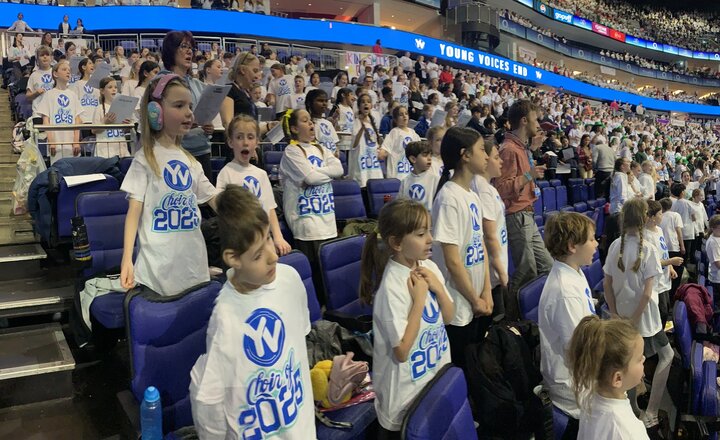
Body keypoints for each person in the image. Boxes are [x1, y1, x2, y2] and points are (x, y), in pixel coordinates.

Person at [189, 185, 316, 440]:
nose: (273, 257)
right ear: (233, 258)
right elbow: (209, 403)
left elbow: (299, 350)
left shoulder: (290, 279)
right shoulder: (225, 317)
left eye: (269, 237)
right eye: (257, 255)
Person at [359, 198, 454, 437]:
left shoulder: (429, 268)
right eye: (421, 234)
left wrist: (439, 291)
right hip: (403, 397)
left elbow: (449, 318)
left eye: (429, 231)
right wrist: (419, 300)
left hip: (431, 380)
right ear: (397, 243)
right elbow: (401, 351)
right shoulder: (391, 288)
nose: (430, 239)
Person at [120, 74, 217, 296]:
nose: (189, 113)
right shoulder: (145, 158)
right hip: (157, 272)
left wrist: (242, 208)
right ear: (156, 113)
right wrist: (127, 259)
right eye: (179, 105)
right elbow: (133, 214)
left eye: (190, 106)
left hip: (193, 269)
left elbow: (215, 200)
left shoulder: (191, 161)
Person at [603, 198, 670, 432]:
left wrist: (613, 313)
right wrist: (633, 319)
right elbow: (647, 293)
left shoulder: (614, 246)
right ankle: (649, 411)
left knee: (630, 363)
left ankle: (635, 409)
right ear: (643, 219)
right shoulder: (647, 249)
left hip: (622, 317)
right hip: (644, 319)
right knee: (666, 356)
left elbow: (607, 285)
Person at [432, 127, 492, 369]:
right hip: (459, 303)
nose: (486, 155)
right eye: (481, 150)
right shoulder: (448, 198)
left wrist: (486, 290)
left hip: (476, 297)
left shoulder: (471, 195)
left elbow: (482, 247)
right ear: (465, 155)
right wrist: (474, 298)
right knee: (462, 367)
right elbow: (452, 260)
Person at [538, 212, 598, 438]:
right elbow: (579, 350)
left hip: (581, 380)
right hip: (573, 391)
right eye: (591, 239)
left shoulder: (575, 272)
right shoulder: (565, 292)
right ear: (573, 246)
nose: (596, 243)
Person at [495, 100, 552, 316]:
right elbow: (501, 188)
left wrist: (533, 152)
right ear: (524, 120)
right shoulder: (509, 150)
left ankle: (532, 312)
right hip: (516, 215)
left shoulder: (520, 148)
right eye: (535, 119)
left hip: (526, 214)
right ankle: (511, 316)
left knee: (547, 266)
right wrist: (530, 175)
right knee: (526, 269)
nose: (538, 123)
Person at [279, 109, 343, 300]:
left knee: (327, 280)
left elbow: (339, 169)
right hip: (306, 224)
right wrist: (321, 174)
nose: (311, 124)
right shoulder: (291, 151)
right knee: (312, 281)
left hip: (328, 222)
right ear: (294, 128)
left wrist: (315, 174)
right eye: (305, 121)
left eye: (311, 121)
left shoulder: (322, 149)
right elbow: (310, 177)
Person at [216, 115, 291, 256]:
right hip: (239, 242)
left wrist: (278, 237)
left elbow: (270, 208)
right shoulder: (226, 173)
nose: (245, 143)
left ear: (257, 142)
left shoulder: (261, 174)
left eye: (250, 137)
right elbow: (222, 211)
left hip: (263, 239)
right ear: (230, 142)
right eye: (239, 137)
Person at [567, 316, 649, 439]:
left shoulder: (589, 395)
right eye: (639, 359)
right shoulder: (628, 432)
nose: (644, 359)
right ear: (617, 379)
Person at [161, 31, 215, 181]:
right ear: (171, 50)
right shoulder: (160, 83)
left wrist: (207, 127)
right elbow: (157, 120)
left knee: (204, 203)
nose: (189, 51)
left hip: (202, 151)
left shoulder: (198, 84)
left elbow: (204, 116)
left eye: (191, 47)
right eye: (183, 46)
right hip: (174, 152)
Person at [473, 139, 509, 325]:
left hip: (492, 272)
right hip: (490, 274)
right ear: (485, 160)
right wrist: (501, 269)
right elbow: (489, 235)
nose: (501, 161)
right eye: (496, 157)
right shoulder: (482, 189)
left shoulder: (487, 187)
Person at [645, 200, 681, 330]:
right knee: (661, 312)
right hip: (655, 282)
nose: (662, 216)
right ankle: (659, 340)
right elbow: (649, 263)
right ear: (652, 217)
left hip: (665, 278)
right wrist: (671, 262)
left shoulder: (659, 230)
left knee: (666, 309)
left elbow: (663, 251)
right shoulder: (645, 236)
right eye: (660, 214)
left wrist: (670, 267)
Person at [348, 93, 383, 189]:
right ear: (359, 106)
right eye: (363, 102)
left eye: (368, 102)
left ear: (371, 105)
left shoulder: (372, 123)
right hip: (361, 165)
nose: (366, 104)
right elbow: (354, 144)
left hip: (373, 164)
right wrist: (362, 126)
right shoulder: (356, 122)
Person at [92, 77, 131, 158]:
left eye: (115, 87)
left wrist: (126, 125)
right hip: (105, 151)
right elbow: (94, 130)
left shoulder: (121, 108)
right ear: (102, 91)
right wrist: (105, 122)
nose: (114, 89)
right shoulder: (99, 108)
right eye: (110, 87)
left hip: (121, 149)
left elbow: (123, 130)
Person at [379, 106, 420, 180]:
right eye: (401, 114)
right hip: (397, 175)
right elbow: (384, 151)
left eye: (406, 113)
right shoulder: (394, 132)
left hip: (410, 174)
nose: (404, 116)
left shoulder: (413, 133)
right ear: (395, 119)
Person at [398, 141, 439, 211]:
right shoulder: (405, 181)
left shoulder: (435, 179)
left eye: (430, 155)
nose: (429, 158)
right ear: (413, 159)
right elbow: (400, 204)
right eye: (425, 155)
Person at [659, 197, 685, 300]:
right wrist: (682, 245)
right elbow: (679, 231)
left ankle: (668, 296)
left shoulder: (660, 216)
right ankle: (674, 296)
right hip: (674, 247)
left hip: (664, 249)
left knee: (666, 273)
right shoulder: (675, 215)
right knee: (675, 274)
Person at [306, 89, 339, 156]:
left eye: (326, 101)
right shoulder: (306, 123)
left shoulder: (328, 123)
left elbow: (335, 144)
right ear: (309, 103)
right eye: (320, 101)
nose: (324, 104)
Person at [27, 46, 54, 115]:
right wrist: (36, 93)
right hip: (38, 113)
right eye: (42, 55)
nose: (45, 57)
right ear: (37, 59)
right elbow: (28, 97)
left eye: (47, 55)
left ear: (51, 58)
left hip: (54, 111)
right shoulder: (34, 75)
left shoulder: (57, 73)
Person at [72, 58, 101, 123]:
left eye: (92, 63)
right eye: (90, 63)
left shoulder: (96, 83)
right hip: (84, 119)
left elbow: (100, 99)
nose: (92, 65)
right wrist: (78, 118)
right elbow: (75, 102)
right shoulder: (78, 84)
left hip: (96, 120)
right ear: (84, 67)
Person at [706, 215, 720, 309]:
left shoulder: (717, 237)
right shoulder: (713, 242)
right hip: (718, 278)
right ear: (713, 228)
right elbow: (718, 264)